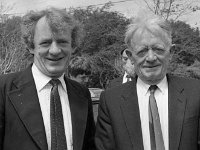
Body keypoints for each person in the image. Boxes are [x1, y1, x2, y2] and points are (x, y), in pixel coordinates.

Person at [95, 12, 200, 150]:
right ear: (131, 57)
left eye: (158, 49)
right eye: (142, 51)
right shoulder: (111, 101)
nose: (151, 58)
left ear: (171, 52)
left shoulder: (196, 92)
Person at [0, 8, 95, 150]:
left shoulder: (82, 94)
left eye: (62, 42)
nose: (55, 50)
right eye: (45, 43)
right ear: (31, 46)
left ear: (73, 46)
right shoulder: (3, 89)